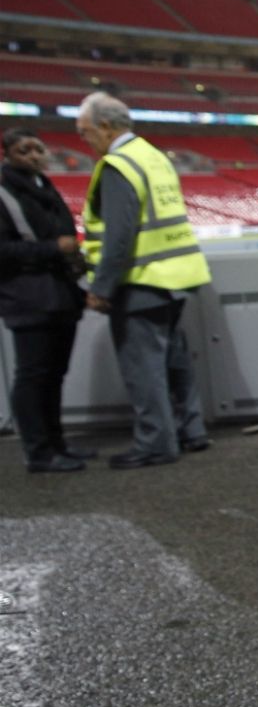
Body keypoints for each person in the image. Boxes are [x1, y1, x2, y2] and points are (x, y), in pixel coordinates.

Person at [74, 93, 214, 469]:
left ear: (105, 127)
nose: (83, 140)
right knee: (174, 361)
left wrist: (101, 288)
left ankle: (156, 444)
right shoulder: (153, 156)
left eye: (85, 132)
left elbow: (118, 236)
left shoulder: (118, 165)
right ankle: (191, 430)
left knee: (144, 369)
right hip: (175, 275)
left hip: (141, 280)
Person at [0, 128, 90, 472]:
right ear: (8, 154)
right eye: (24, 150)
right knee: (33, 375)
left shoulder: (44, 186)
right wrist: (53, 248)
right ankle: (38, 452)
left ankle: (57, 444)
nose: (34, 155)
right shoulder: (5, 192)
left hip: (60, 294)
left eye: (38, 148)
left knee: (54, 374)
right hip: (27, 296)